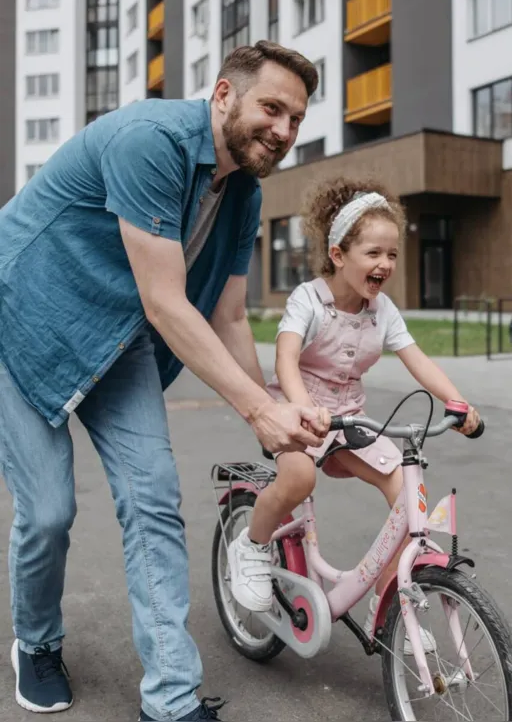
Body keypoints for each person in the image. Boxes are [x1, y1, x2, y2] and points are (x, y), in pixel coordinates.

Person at [0, 41, 330, 722]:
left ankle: (171, 702)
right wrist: (257, 413)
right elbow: (166, 302)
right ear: (221, 95)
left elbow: (229, 313)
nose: (284, 129)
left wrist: (271, 416)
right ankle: (35, 642)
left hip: (116, 335)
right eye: (271, 107)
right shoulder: (152, 140)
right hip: (20, 315)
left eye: (296, 118)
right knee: (49, 511)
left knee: (153, 499)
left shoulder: (243, 192)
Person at [228, 179, 481, 650]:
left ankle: (392, 599)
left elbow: (417, 358)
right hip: (298, 416)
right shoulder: (309, 299)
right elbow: (286, 358)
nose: (384, 264)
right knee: (299, 479)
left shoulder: (382, 311)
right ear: (339, 254)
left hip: (350, 423)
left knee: (411, 499)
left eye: (392, 255)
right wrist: (301, 408)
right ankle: (252, 545)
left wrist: (458, 401)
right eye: (373, 253)